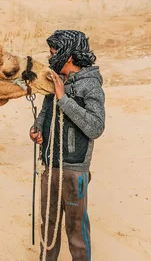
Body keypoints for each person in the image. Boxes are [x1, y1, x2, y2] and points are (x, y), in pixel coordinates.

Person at [30, 30, 105, 261]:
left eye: (53, 53)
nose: (50, 58)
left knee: (76, 232)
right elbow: (45, 112)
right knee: (47, 227)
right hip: (50, 165)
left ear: (68, 56)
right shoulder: (56, 80)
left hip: (74, 170)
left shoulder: (90, 85)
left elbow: (95, 127)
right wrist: (37, 129)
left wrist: (64, 100)